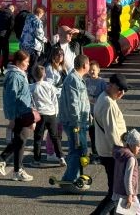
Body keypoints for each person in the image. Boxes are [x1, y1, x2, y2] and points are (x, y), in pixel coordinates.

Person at [0, 49, 35, 182]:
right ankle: (18, 171)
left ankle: (2, 159)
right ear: (18, 62)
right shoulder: (14, 76)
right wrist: (11, 118)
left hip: (24, 112)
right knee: (21, 140)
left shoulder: (20, 73)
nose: (28, 64)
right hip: (19, 114)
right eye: (26, 62)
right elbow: (10, 99)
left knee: (19, 140)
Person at [91, 73, 129, 215]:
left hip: (106, 150)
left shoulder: (104, 98)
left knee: (113, 189)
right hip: (112, 153)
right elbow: (112, 133)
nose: (122, 93)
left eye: (124, 90)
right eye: (120, 89)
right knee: (116, 194)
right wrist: (123, 153)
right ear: (111, 85)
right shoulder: (108, 104)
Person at [59, 54, 91, 185]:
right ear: (84, 66)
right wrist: (77, 122)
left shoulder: (77, 78)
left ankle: (74, 176)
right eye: (89, 64)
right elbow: (74, 103)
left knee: (79, 150)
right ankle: (70, 178)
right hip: (75, 122)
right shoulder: (73, 79)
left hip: (79, 121)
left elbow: (82, 100)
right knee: (78, 150)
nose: (89, 66)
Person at [30, 64, 64, 166]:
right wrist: (56, 112)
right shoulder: (49, 86)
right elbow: (55, 100)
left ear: (33, 75)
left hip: (40, 114)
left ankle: (37, 160)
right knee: (55, 137)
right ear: (44, 74)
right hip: (51, 113)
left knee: (38, 138)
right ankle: (61, 157)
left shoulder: (31, 87)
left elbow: (31, 103)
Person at [111, 129, 140, 215]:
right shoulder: (130, 159)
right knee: (137, 212)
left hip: (117, 192)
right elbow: (127, 178)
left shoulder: (120, 154)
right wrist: (130, 195)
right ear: (131, 144)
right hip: (126, 194)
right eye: (138, 146)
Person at [84, 60, 108, 164]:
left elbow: (105, 96)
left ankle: (101, 154)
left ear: (98, 70)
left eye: (94, 70)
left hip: (98, 113)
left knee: (100, 135)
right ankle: (94, 153)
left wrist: (95, 98)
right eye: (90, 70)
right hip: (89, 113)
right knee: (92, 134)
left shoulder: (102, 82)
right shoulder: (86, 81)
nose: (92, 72)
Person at [19, 5, 47, 78]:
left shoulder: (28, 19)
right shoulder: (37, 21)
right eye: (42, 14)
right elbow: (38, 33)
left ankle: (25, 78)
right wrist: (45, 39)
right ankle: (31, 80)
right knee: (33, 65)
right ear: (40, 13)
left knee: (26, 63)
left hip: (24, 45)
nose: (42, 16)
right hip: (33, 46)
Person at [107, 0, 124, 65]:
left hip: (116, 27)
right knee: (114, 41)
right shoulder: (116, 6)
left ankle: (120, 56)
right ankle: (120, 56)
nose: (112, 0)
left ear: (116, 0)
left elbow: (110, 6)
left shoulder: (118, 6)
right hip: (115, 27)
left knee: (115, 42)